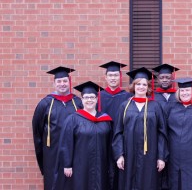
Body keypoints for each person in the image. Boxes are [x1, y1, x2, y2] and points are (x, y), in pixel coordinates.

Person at [112, 67, 168, 190]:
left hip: (150, 155)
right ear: (133, 86)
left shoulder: (156, 106)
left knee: (149, 182)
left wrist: (161, 157)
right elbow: (118, 132)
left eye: (144, 84)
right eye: (138, 84)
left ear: (148, 87)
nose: (141, 87)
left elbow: (162, 133)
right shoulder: (125, 106)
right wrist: (119, 154)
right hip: (129, 153)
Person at [32, 66, 82, 190]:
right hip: (51, 153)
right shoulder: (45, 103)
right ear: (54, 83)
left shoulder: (78, 102)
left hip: (74, 151)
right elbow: (37, 131)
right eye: (59, 81)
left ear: (69, 82)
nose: (62, 84)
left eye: (65, 81)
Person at [57, 81, 113, 190]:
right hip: (81, 165)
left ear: (97, 99)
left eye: (92, 97)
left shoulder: (105, 120)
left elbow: (110, 143)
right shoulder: (73, 119)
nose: (89, 100)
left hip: (101, 164)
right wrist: (67, 164)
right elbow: (66, 143)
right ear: (82, 99)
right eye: (86, 97)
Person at [99, 61, 132, 190]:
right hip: (103, 140)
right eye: (110, 75)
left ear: (120, 77)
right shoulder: (98, 96)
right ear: (106, 77)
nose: (113, 78)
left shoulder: (128, 97)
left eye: (116, 75)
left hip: (122, 141)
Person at [152, 63, 179, 190]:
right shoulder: (152, 96)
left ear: (172, 78)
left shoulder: (178, 95)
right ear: (157, 79)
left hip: (175, 136)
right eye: (162, 77)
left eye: (167, 77)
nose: (164, 80)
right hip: (158, 136)